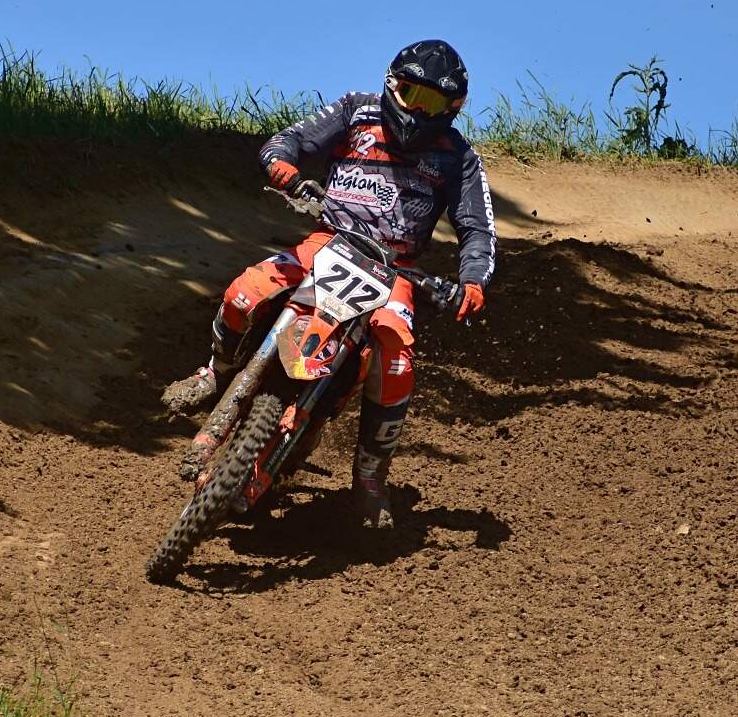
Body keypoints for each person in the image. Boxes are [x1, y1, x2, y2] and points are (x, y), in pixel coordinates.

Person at [163, 39, 496, 527]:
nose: (420, 111)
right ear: (392, 86)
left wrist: (473, 281)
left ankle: (370, 478)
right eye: (412, 95)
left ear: (454, 108)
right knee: (243, 293)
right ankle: (214, 372)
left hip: (396, 269)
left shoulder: (458, 157)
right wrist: (284, 166)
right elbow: (288, 141)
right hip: (327, 240)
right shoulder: (356, 110)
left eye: (433, 102)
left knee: (396, 357)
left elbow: (477, 228)